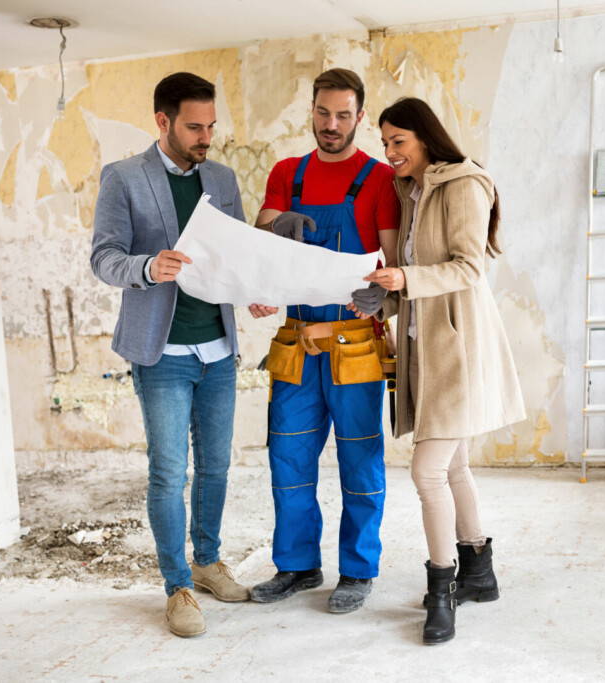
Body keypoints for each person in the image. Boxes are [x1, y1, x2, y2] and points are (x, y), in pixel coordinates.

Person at [348, 97, 525, 644]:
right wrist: (385, 298)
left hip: (460, 347)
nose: (389, 152)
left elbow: (470, 267)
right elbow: (416, 270)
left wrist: (406, 281)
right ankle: (479, 573)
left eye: (398, 141)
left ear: (425, 138)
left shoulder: (464, 184)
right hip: (428, 344)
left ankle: (441, 589)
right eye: (384, 142)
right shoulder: (411, 189)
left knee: (427, 472)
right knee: (453, 469)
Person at [91, 72, 259, 638]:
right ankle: (177, 585)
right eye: (194, 126)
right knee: (169, 472)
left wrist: (250, 290)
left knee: (214, 466)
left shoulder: (222, 177)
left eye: (211, 125)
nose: (205, 136)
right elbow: (104, 257)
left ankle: (208, 563)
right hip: (160, 351)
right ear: (162, 121)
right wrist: (145, 267)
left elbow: (233, 255)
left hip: (218, 348)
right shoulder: (123, 178)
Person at [248, 68, 400, 614]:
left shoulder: (380, 178)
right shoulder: (286, 173)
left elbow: (389, 258)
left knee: (361, 463)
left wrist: (381, 297)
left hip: (354, 341)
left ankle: (358, 570)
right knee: (287, 459)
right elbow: (260, 247)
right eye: (322, 113)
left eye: (342, 115)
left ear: (360, 117)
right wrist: (272, 239)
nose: (330, 125)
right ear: (310, 110)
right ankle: (296, 566)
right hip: (294, 342)